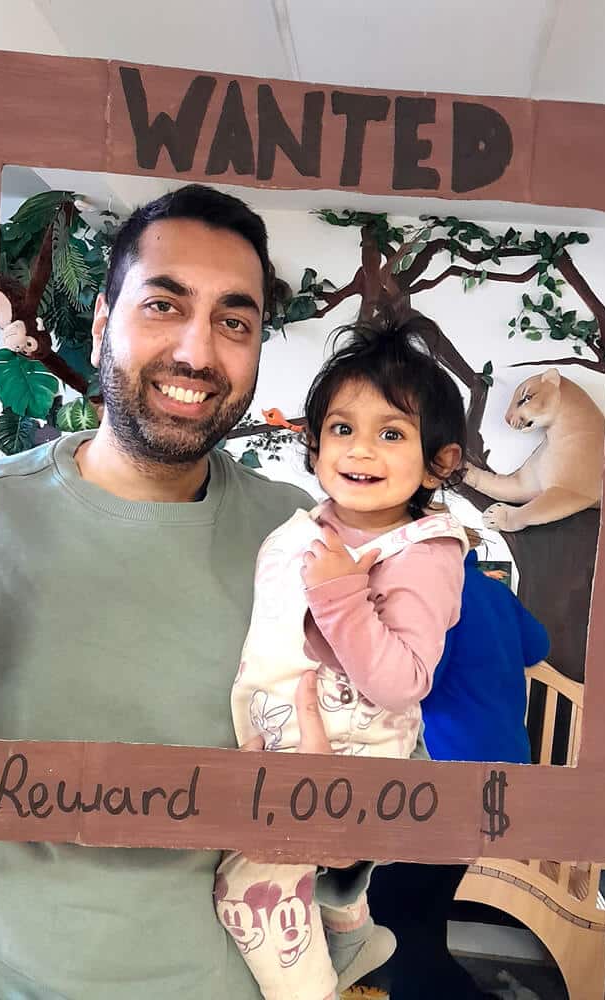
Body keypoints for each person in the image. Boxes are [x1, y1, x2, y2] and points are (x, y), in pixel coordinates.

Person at [0, 185, 387, 1000]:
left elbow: (362, 819)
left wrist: (344, 817)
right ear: (100, 323)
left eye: (235, 321)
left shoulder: (310, 545)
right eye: (164, 304)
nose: (198, 352)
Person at [216, 317, 471, 1000]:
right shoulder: (315, 524)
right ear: (313, 440)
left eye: (392, 433)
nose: (362, 449)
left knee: (248, 891)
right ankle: (346, 917)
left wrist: (339, 594)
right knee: (288, 872)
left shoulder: (423, 555)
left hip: (347, 758)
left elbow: (400, 683)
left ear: (439, 462)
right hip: (281, 740)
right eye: (342, 428)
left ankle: (315, 991)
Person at [365, 552, 550, 1000]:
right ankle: (451, 989)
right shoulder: (493, 590)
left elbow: (417, 679)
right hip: (505, 773)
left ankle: (450, 992)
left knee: (394, 907)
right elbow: (538, 645)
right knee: (422, 906)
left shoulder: (432, 592)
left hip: (447, 777)